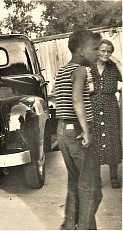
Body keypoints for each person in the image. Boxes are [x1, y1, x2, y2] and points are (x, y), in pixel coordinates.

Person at [54, 29, 103, 230]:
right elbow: (76, 99)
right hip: (78, 131)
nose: (98, 53)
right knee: (92, 188)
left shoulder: (63, 70)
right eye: (95, 49)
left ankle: (68, 226)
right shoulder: (81, 70)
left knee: (75, 184)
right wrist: (86, 130)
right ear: (81, 51)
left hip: (62, 130)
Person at [88, 39, 122, 189]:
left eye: (109, 51)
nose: (106, 54)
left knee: (112, 139)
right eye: (103, 50)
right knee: (94, 140)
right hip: (92, 106)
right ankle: (96, 178)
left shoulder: (113, 68)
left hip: (110, 106)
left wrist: (116, 61)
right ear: (97, 51)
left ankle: (113, 176)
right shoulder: (89, 67)